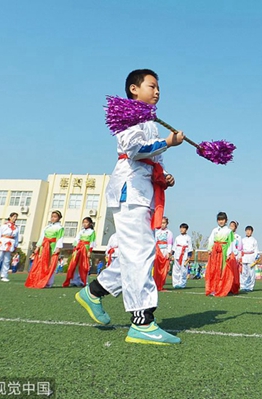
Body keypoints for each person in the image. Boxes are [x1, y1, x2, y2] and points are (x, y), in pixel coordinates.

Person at [75, 69, 184, 345]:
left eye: (159, 87)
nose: (157, 91)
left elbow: (151, 155)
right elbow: (134, 150)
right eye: (152, 86)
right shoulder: (128, 114)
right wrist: (168, 143)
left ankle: (95, 291)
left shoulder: (150, 121)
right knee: (139, 254)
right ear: (134, 89)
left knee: (137, 252)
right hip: (130, 190)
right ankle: (142, 321)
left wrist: (164, 175)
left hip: (143, 191)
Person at [25, 211, 65, 288]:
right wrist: (37, 247)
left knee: (51, 264)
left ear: (59, 218)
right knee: (42, 263)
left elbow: (60, 238)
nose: (53, 218)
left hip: (52, 246)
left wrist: (58, 247)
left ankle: (49, 282)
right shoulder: (47, 227)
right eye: (52, 216)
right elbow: (41, 237)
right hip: (44, 247)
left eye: (55, 217)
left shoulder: (60, 228)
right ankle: (40, 280)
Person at [205, 212, 239, 297]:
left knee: (222, 270)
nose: (221, 221)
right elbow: (211, 239)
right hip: (215, 252)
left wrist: (228, 254)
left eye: (223, 220)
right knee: (214, 269)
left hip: (223, 251)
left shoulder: (228, 231)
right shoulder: (215, 230)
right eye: (219, 220)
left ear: (226, 220)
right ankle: (213, 288)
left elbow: (231, 243)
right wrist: (209, 248)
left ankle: (222, 288)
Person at [63, 217, 96, 287]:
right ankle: (74, 281)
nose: (85, 224)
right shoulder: (81, 231)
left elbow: (92, 242)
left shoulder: (92, 232)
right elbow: (76, 240)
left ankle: (83, 281)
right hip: (78, 249)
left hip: (85, 249)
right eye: (83, 222)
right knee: (75, 265)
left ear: (90, 223)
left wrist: (89, 251)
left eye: (86, 222)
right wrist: (75, 249)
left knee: (84, 265)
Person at [0, 212, 20, 282]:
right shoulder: (4, 226)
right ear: (10, 217)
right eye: (13, 216)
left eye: (16, 217)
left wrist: (15, 246)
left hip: (10, 244)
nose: (15, 218)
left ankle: (4, 275)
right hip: (2, 243)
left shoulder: (16, 228)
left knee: (7, 260)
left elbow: (17, 238)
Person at [153, 216, 173, 291]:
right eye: (161, 223)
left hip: (164, 250)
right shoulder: (157, 232)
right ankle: (156, 284)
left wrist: (168, 252)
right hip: (157, 251)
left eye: (164, 223)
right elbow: (154, 241)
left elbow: (170, 243)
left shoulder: (169, 233)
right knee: (157, 269)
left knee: (164, 269)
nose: (162, 225)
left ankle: (161, 284)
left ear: (167, 223)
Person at [171, 223, 193, 289]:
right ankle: (175, 283)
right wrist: (172, 255)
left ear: (186, 229)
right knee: (176, 270)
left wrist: (189, 257)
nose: (181, 229)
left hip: (184, 256)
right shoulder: (177, 238)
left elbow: (190, 249)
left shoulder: (188, 238)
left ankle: (182, 284)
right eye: (181, 228)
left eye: (183, 228)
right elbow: (174, 247)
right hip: (177, 255)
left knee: (183, 270)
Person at [240, 225, 259, 292]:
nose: (248, 232)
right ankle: (243, 286)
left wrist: (256, 258)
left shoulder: (254, 240)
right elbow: (240, 249)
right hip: (244, 256)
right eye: (247, 231)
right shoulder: (242, 240)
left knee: (251, 273)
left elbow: (256, 250)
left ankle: (250, 287)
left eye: (249, 231)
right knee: (243, 273)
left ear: (252, 232)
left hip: (251, 257)